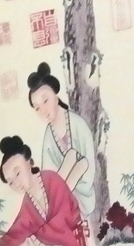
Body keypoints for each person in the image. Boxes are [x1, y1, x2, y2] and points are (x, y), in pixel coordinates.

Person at [27, 62, 96, 221]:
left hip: (83, 196)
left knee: (78, 160)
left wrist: (71, 180)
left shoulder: (78, 124)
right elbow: (49, 177)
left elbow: (88, 167)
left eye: (45, 101)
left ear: (56, 97)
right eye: (37, 107)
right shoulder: (49, 137)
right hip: (61, 198)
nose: (43, 110)